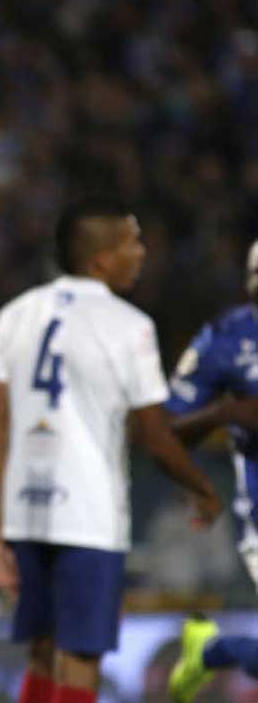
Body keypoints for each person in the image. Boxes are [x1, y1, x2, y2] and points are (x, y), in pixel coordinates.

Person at [0, 200, 221, 703]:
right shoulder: (129, 325)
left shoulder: (15, 315)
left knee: (42, 650)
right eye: (131, 242)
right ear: (100, 258)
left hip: (27, 512)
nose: (142, 252)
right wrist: (202, 488)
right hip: (88, 515)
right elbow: (154, 435)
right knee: (80, 656)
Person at [162, 238, 258, 702]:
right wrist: (223, 413)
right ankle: (214, 651)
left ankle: (212, 651)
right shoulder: (227, 337)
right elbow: (165, 427)